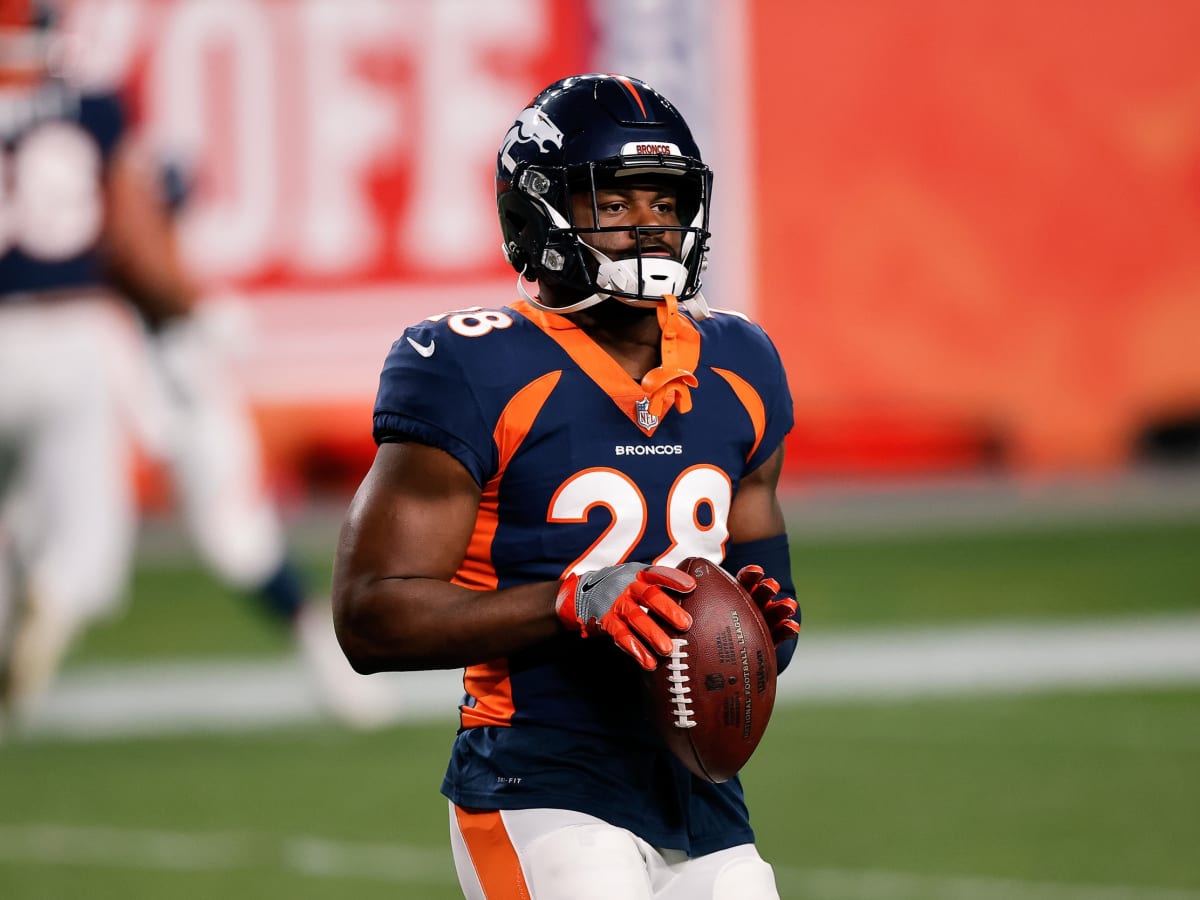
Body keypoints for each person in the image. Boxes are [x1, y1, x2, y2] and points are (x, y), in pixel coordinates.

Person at [332, 73, 801, 898]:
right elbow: (371, 616)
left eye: (665, 202)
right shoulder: (473, 367)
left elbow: (766, 614)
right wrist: (576, 600)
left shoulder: (742, 363)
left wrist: (761, 626)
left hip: (699, 784)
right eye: (616, 205)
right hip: (538, 776)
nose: (651, 229)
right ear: (536, 214)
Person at [0, 0, 395, 732]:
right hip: (108, 358)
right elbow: (134, 237)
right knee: (94, 543)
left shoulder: (96, 143)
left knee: (208, 532)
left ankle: (319, 652)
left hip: (134, 369)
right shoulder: (90, 120)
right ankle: (45, 613)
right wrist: (194, 308)